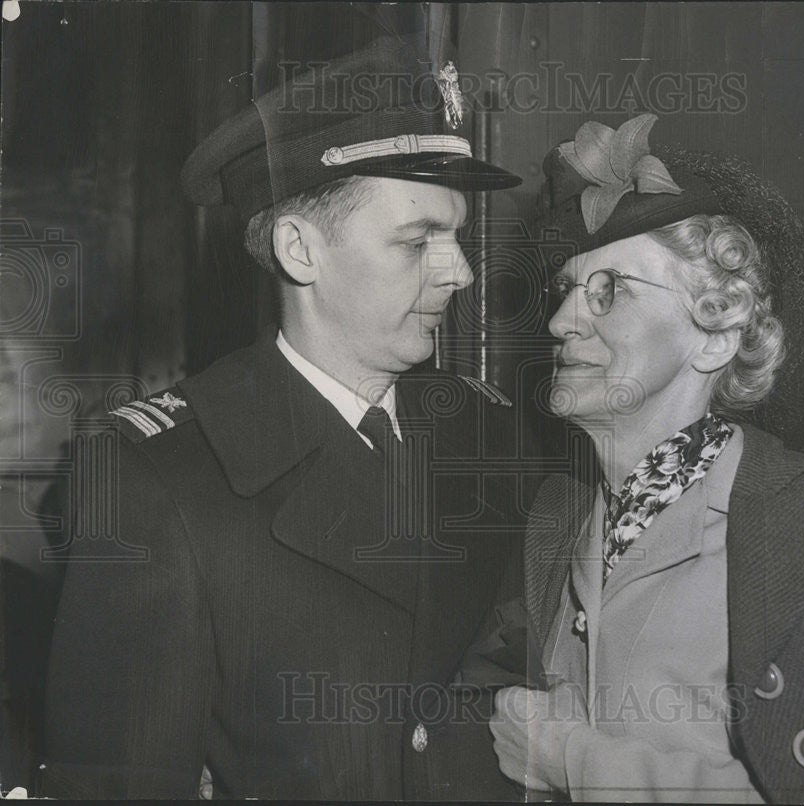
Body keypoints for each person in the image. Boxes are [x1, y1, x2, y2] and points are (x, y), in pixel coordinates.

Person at [41, 37, 530, 800]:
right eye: (417, 241)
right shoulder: (158, 476)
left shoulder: (492, 434)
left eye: (458, 233)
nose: (460, 271)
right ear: (299, 250)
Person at [488, 114, 804, 803]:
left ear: (715, 335)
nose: (563, 320)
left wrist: (575, 762)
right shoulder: (555, 523)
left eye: (610, 291)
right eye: (566, 289)